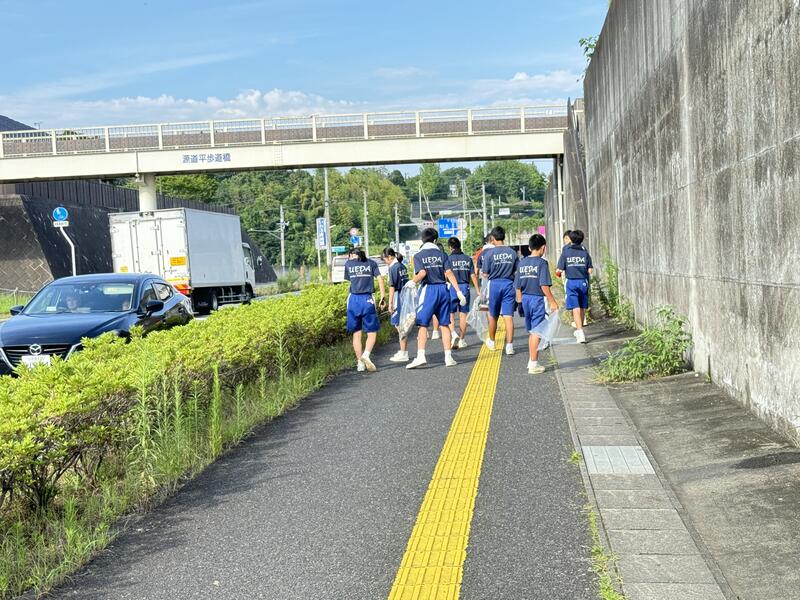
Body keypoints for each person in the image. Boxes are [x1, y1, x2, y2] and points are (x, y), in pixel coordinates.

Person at [405, 228, 466, 369]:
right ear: (435, 240)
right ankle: (448, 357)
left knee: (423, 324)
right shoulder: (442, 255)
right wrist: (458, 291)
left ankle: (421, 356)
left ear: (422, 240)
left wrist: (412, 282)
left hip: (429, 290)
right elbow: (449, 273)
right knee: (444, 324)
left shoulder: (419, 255)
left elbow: (422, 273)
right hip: (443, 290)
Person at [515, 234, 558, 374]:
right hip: (537, 299)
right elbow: (544, 285)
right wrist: (553, 302)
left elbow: (517, 286)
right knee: (537, 331)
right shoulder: (542, 263)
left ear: (529, 247)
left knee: (532, 331)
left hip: (525, 299)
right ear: (543, 247)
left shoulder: (522, 263)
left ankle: (531, 361)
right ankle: (534, 364)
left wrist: (519, 302)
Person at [344, 247, 385, 372]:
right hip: (367, 299)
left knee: (356, 333)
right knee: (372, 332)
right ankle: (366, 355)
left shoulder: (348, 264)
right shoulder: (371, 263)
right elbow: (380, 279)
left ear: (352, 255)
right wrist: (383, 296)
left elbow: (349, 279)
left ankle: (359, 363)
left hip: (353, 300)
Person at [480, 226, 518, 354]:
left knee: (493, 315)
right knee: (508, 316)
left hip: (494, 285)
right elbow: (516, 271)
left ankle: (492, 341)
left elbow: (485, 274)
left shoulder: (489, 254)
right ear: (504, 237)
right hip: (509, 284)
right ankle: (509, 346)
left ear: (492, 238)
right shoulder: (512, 253)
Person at [556, 229, 593, 344]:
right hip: (583, 282)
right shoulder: (585, 252)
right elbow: (590, 270)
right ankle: (580, 328)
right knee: (581, 306)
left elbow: (559, 270)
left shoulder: (566, 252)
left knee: (575, 307)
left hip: (571, 282)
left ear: (570, 239)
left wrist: (559, 273)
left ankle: (580, 332)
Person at [447, 236, 478, 349]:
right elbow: (473, 275)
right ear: (459, 245)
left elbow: (446, 275)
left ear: (450, 247)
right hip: (465, 288)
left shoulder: (448, 259)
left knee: (450, 314)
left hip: (452, 288)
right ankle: (462, 340)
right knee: (463, 315)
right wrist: (478, 290)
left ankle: (453, 334)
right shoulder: (467, 259)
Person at [382, 247, 410, 363]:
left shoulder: (393, 268)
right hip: (405, 296)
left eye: (384, 259)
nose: (385, 262)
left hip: (398, 297)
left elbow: (392, 287)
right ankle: (403, 350)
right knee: (402, 324)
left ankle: (404, 352)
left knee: (399, 325)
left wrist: (390, 303)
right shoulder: (402, 266)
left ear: (389, 257)